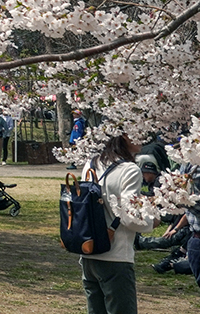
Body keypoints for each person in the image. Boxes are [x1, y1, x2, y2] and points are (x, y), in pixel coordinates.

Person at [79, 134, 156, 314]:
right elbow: (130, 218)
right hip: (116, 254)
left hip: (89, 252)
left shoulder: (91, 164)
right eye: (135, 130)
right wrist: (153, 221)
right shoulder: (130, 170)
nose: (142, 135)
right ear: (123, 136)